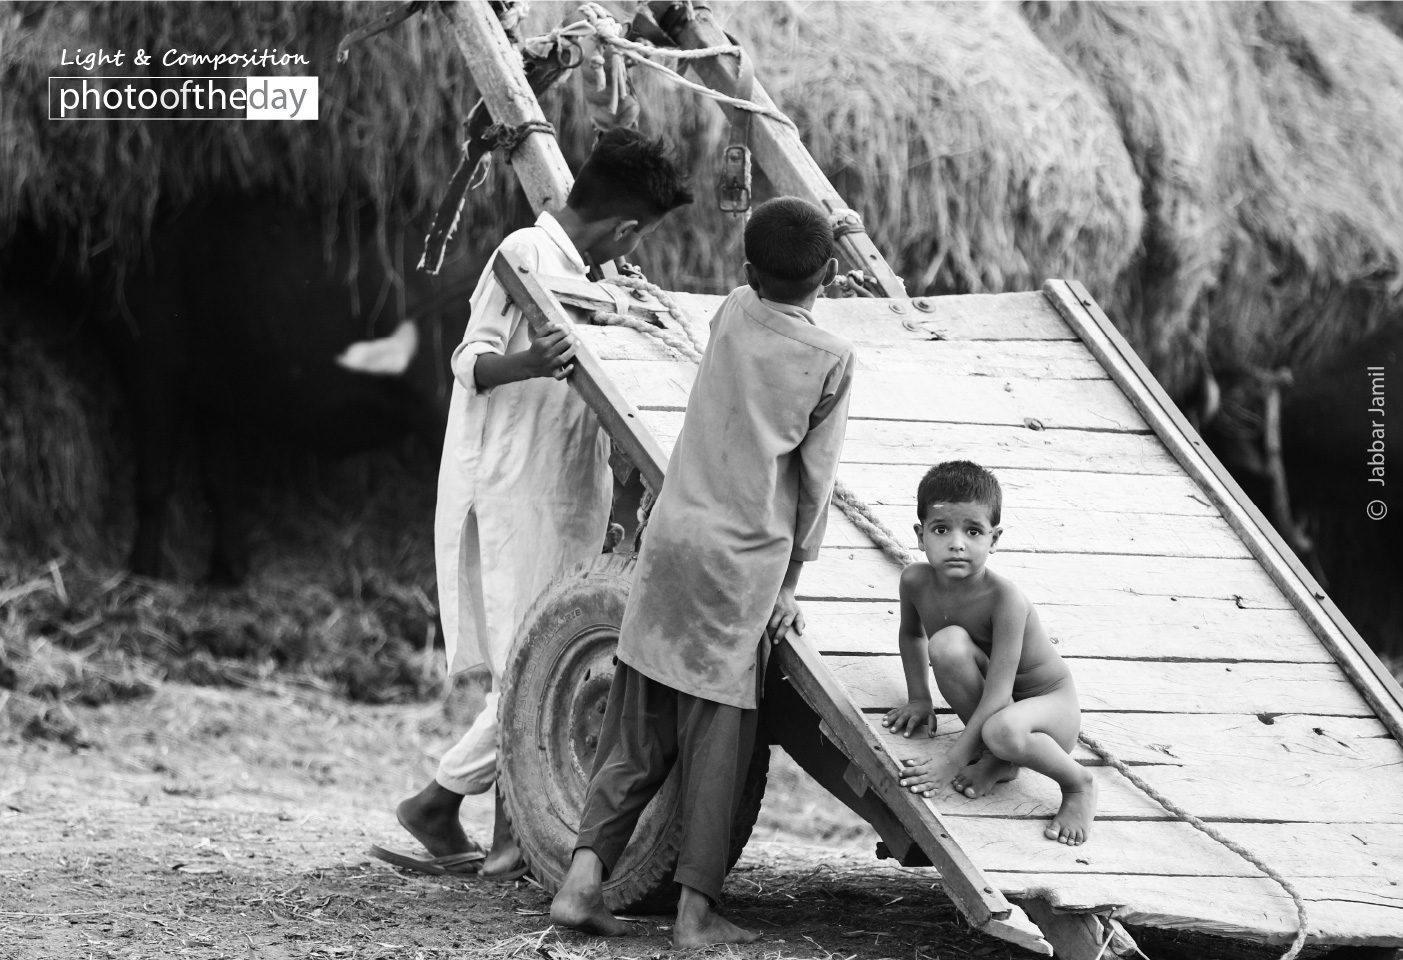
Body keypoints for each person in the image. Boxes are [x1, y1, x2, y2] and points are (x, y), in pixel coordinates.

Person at [376, 128, 694, 879]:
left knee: (533, 656)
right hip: (514, 483)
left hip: (564, 485)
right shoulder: (522, 254)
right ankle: (436, 801)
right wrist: (531, 361)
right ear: (626, 227)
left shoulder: (589, 276)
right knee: (531, 668)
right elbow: (468, 361)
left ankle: (503, 844)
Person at [549, 196, 856, 947]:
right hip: (737, 568)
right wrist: (790, 582)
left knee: (634, 730)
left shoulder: (731, 310)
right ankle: (695, 916)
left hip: (669, 542)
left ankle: (583, 884)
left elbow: (767, 286)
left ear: (748, 270)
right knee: (718, 749)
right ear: (833, 273)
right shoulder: (833, 360)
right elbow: (814, 486)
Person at [882, 461, 1097, 845]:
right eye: (942, 529)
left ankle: (1077, 783)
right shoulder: (914, 580)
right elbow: (911, 635)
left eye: (974, 531)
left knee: (1003, 728)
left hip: (1048, 709)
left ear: (994, 539)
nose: (957, 542)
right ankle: (1001, 760)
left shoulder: (1005, 599)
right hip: (1004, 709)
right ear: (920, 535)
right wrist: (919, 698)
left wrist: (953, 760)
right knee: (945, 644)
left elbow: (1000, 694)